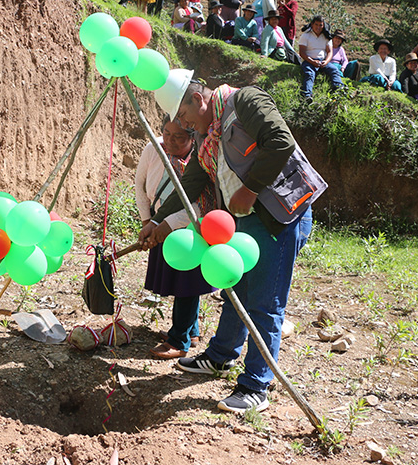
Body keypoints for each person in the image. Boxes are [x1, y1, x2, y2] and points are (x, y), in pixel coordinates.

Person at [140, 71, 322, 414]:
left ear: (198, 99)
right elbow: (191, 183)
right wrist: (159, 223)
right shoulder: (208, 138)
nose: (185, 124)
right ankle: (221, 356)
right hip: (244, 222)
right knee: (235, 290)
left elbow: (280, 142)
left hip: (279, 217)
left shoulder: (246, 101)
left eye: (183, 115)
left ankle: (256, 385)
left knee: (265, 302)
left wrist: (250, 188)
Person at [135, 116, 215, 359]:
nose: (169, 141)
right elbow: (140, 184)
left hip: (190, 227)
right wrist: (148, 220)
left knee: (187, 283)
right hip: (160, 222)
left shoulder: (203, 160)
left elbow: (201, 203)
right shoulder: (153, 148)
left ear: (193, 138)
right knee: (181, 282)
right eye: (166, 134)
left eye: (178, 137)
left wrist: (167, 224)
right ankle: (191, 330)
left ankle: (178, 340)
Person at [297, 15, 344, 98]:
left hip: (322, 61)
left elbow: (330, 52)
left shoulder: (326, 37)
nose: (318, 27)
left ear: (323, 25)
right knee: (310, 74)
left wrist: (325, 62)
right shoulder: (306, 35)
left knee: (334, 70)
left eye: (320, 25)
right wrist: (312, 61)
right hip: (308, 61)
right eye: (316, 25)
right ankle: (307, 95)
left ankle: (339, 89)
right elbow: (302, 52)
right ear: (312, 24)